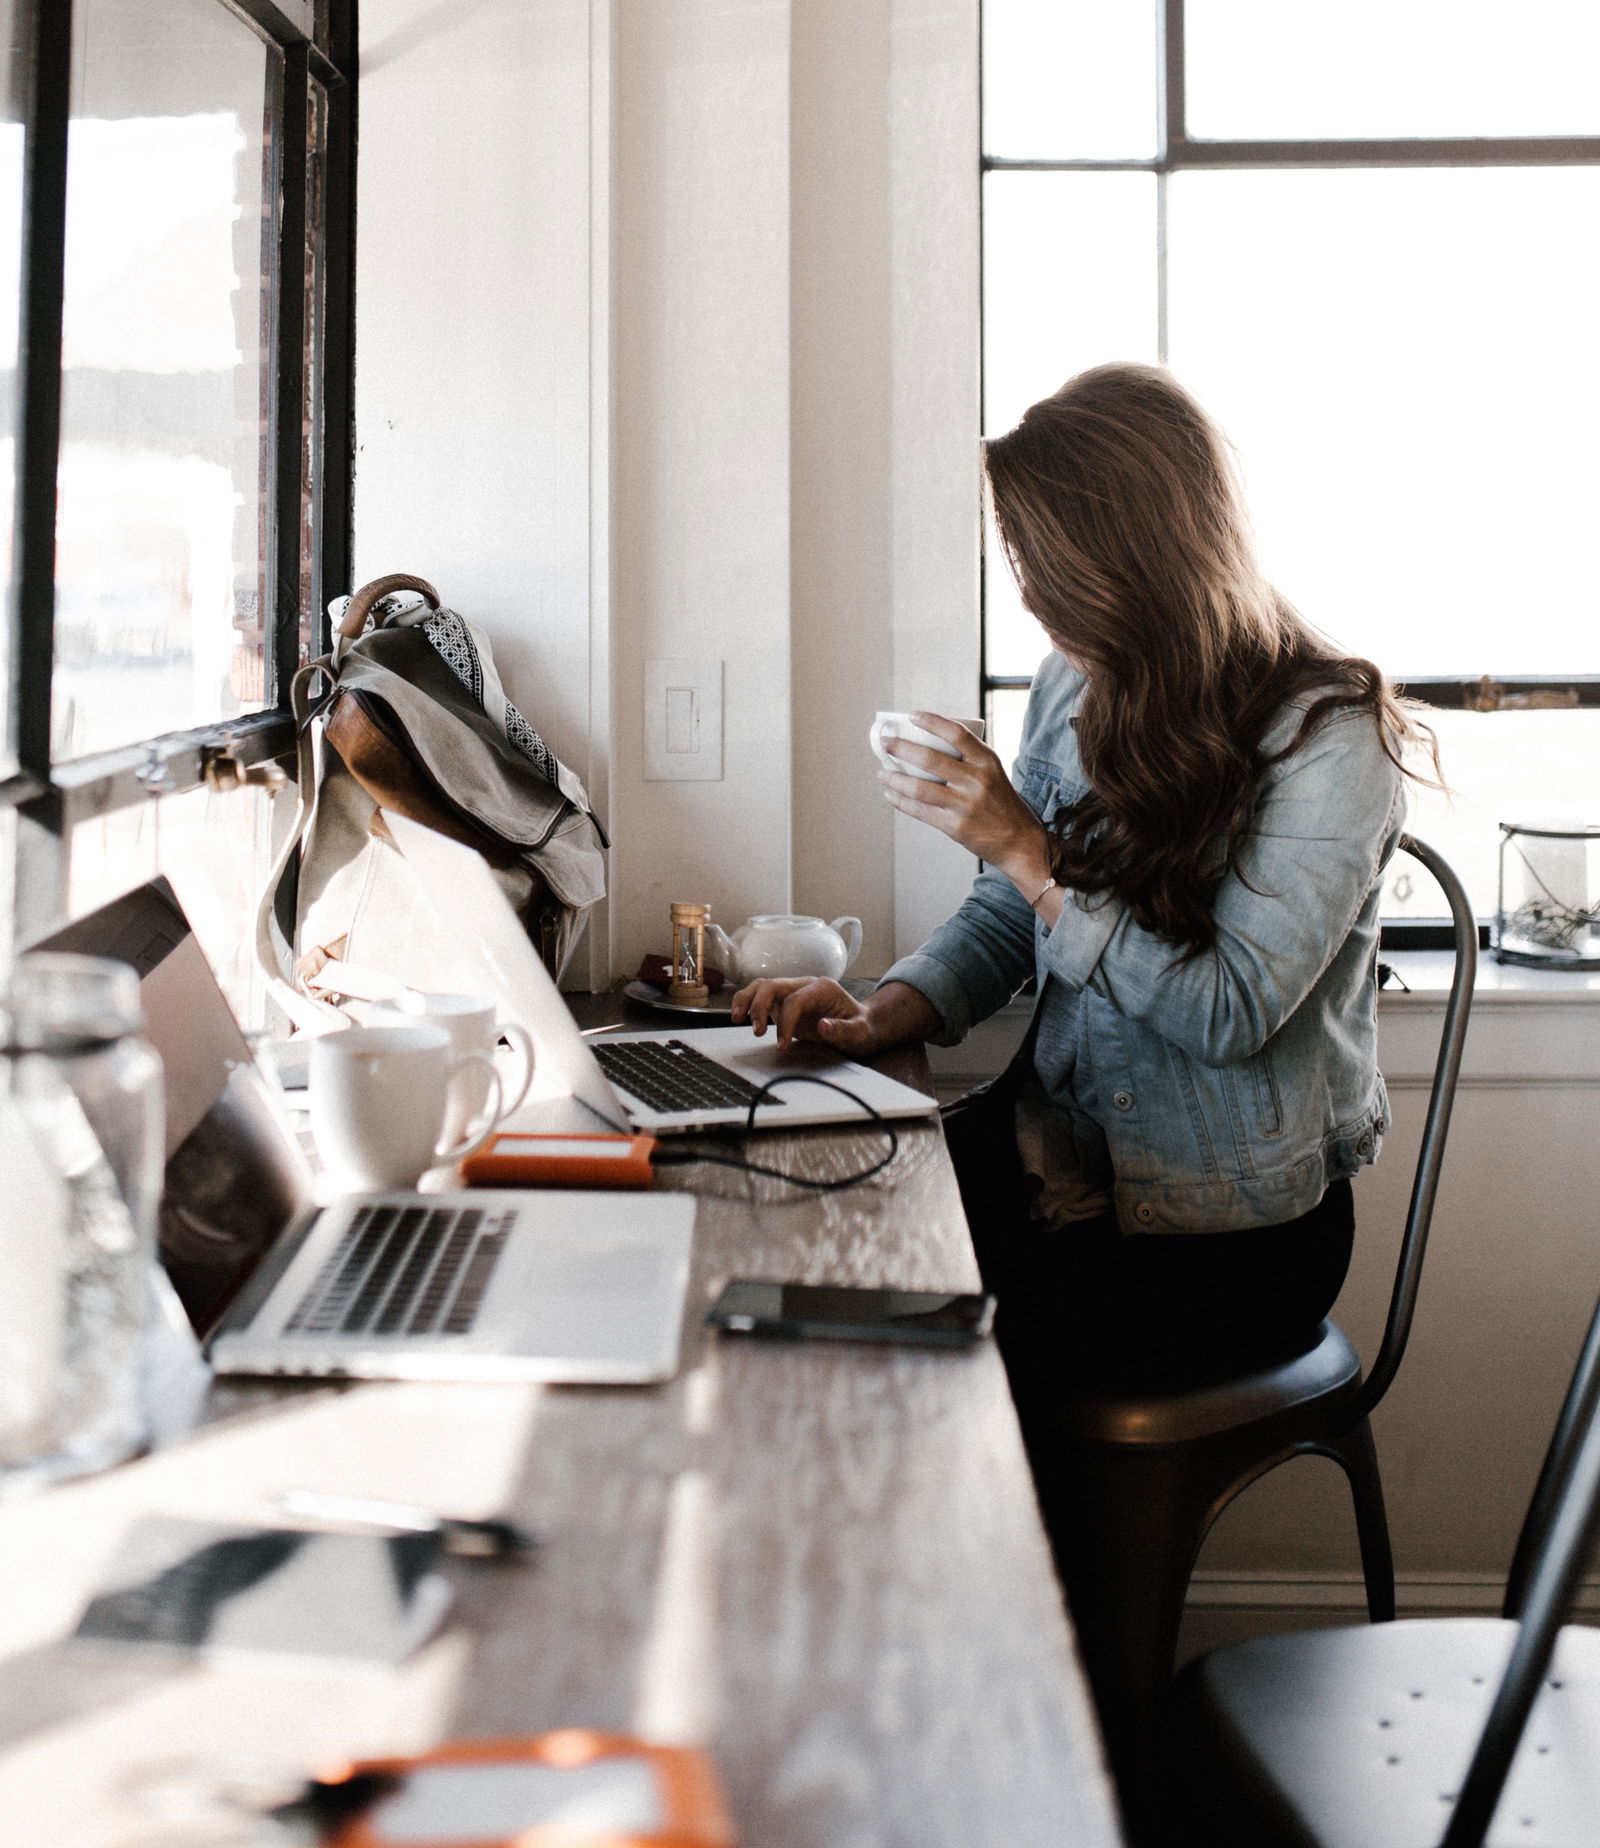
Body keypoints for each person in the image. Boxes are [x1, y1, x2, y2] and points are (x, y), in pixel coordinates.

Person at [730, 362, 1434, 1403]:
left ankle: (997, 1562)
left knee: (891, 1359)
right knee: (793, 1238)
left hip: (1221, 1238)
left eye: (1042, 563)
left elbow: (1226, 1011)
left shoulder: (1330, 739)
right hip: (1057, 1169)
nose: (1028, 593)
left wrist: (1027, 848)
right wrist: (885, 1011)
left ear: (1135, 557)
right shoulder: (1078, 678)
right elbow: (1010, 910)